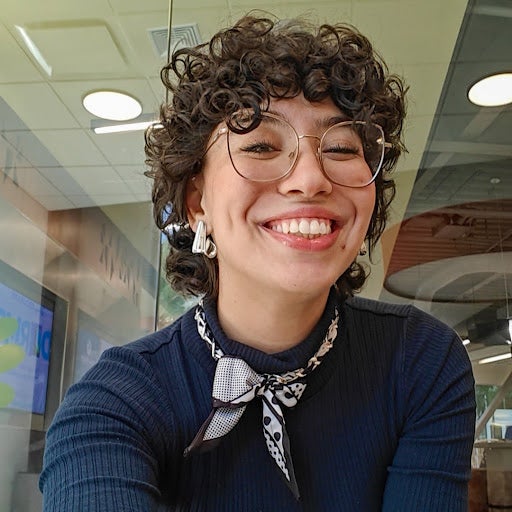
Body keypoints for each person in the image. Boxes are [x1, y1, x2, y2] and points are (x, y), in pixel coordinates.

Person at [39, 13, 476, 511]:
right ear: (196, 201)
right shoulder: (114, 403)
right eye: (261, 145)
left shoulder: (419, 360)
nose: (310, 179)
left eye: (340, 147)